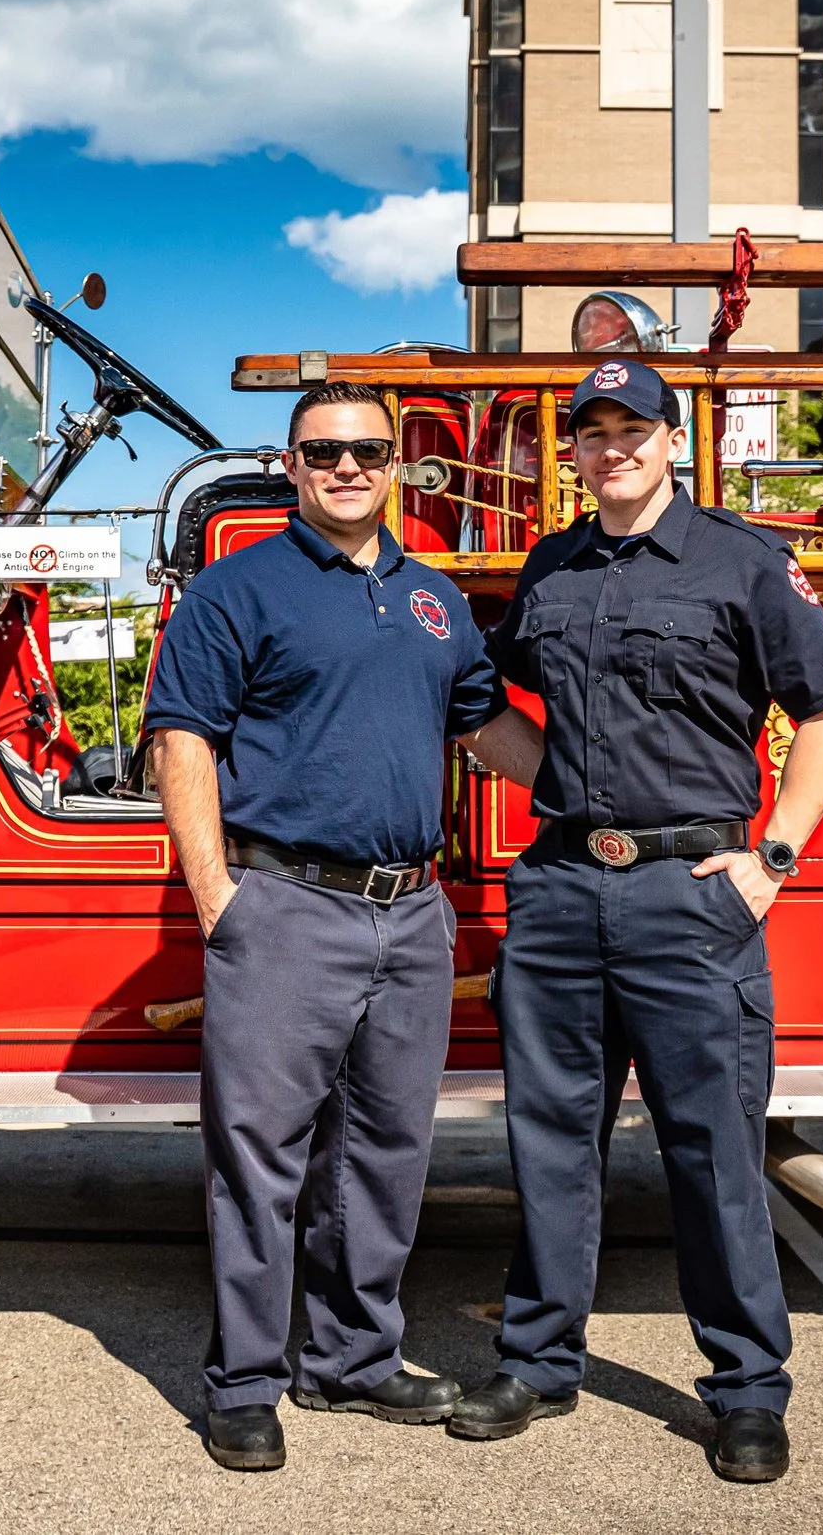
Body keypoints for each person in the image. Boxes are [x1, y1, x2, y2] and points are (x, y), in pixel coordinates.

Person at [449, 357, 823, 1484]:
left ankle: (745, 1388)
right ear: (573, 453)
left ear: (672, 441)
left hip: (692, 897)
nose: (613, 446)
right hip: (562, 890)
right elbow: (477, 704)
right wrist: (560, 791)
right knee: (548, 1144)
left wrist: (771, 856)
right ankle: (537, 1363)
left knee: (713, 1150)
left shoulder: (742, 562)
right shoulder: (549, 568)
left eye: (634, 427)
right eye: (592, 432)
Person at [146, 380, 546, 1473]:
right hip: (284, 905)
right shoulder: (236, 590)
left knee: (384, 1153)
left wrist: (588, 788)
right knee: (259, 1157)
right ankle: (243, 1381)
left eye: (368, 449)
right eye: (323, 451)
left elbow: (484, 725)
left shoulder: (434, 599)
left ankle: (354, 1358)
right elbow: (181, 740)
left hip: (411, 911)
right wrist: (217, 895)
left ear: (397, 464)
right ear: (291, 463)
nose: (347, 468)